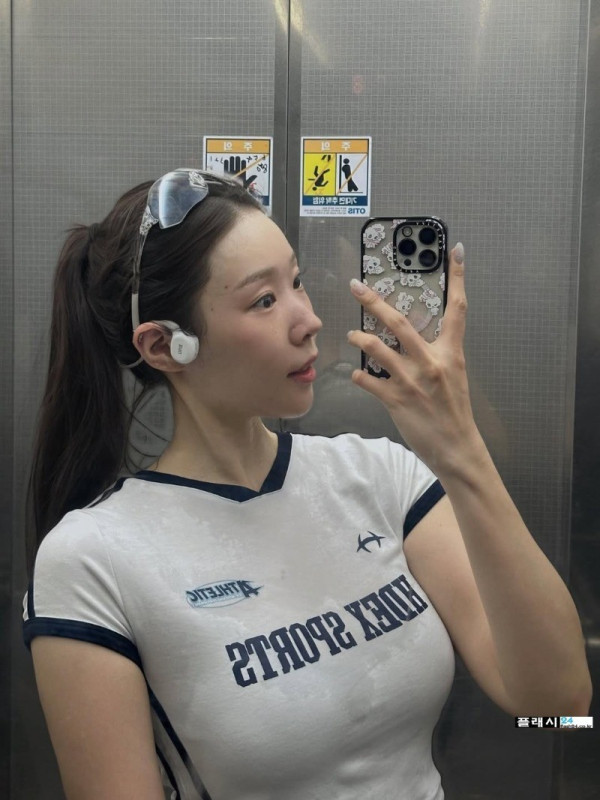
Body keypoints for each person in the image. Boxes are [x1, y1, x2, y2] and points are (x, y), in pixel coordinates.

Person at [23, 168, 591, 800]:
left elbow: (559, 707)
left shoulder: (381, 477)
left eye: (295, 281)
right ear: (164, 346)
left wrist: (461, 454)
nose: (310, 320)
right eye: (264, 301)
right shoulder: (95, 559)